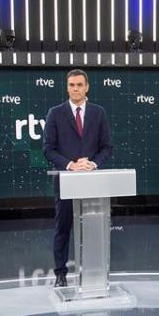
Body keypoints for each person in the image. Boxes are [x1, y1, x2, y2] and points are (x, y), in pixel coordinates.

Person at [43, 69, 113, 287]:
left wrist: (93, 164)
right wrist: (71, 165)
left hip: (92, 181)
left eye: (79, 85)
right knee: (63, 228)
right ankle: (60, 274)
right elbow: (48, 149)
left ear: (87, 87)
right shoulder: (55, 113)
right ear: (67, 88)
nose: (76, 89)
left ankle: (95, 273)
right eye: (72, 85)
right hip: (66, 180)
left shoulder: (99, 113)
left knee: (93, 226)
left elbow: (106, 147)